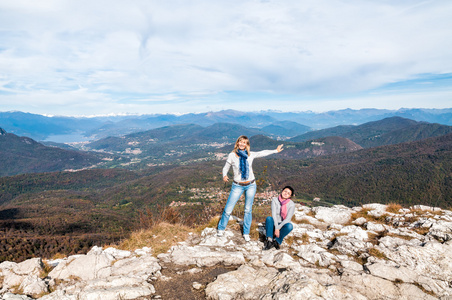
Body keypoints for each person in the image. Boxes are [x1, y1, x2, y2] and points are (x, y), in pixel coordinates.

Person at [217, 135, 284, 242]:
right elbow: (225, 168)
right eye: (241, 142)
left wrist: (275, 151)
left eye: (245, 142)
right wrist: (224, 175)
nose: (242, 144)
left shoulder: (250, 155)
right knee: (228, 208)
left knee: (248, 210)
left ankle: (246, 232)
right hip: (237, 185)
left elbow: (262, 152)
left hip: (251, 185)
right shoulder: (232, 155)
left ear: (247, 145)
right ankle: (221, 228)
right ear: (237, 143)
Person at [263, 186, 295, 250]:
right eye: (285, 191)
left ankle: (277, 241)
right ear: (282, 191)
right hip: (275, 222)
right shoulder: (275, 200)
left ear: (290, 196)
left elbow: (288, 219)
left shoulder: (291, 204)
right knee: (269, 218)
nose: (286, 193)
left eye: (288, 193)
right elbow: (274, 215)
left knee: (290, 226)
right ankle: (269, 240)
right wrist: (276, 228)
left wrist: (278, 228)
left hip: (283, 224)